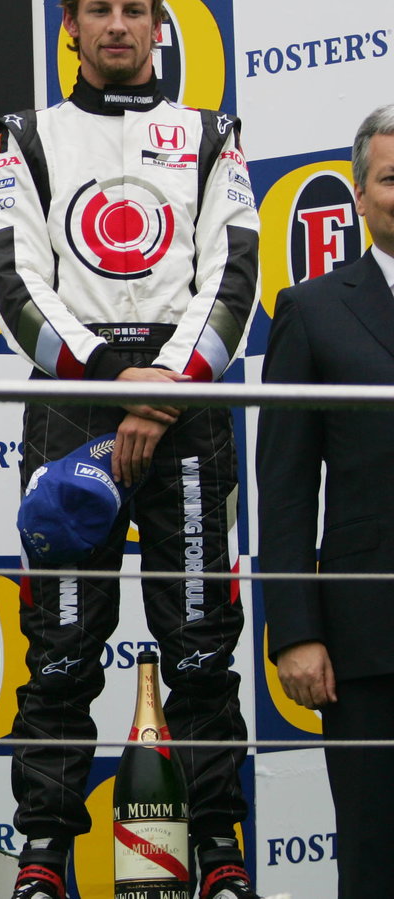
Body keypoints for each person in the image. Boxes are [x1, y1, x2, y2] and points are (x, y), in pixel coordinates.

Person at [0, 0, 261, 899]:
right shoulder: (27, 133)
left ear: (157, 24)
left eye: (132, 11)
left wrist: (164, 391)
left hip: (187, 416)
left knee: (200, 648)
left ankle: (219, 853)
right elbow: (12, 279)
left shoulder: (213, 131)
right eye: (97, 11)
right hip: (73, 409)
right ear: (70, 26)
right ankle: (46, 858)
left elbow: (235, 274)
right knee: (60, 648)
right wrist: (119, 380)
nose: (115, 27)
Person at [257, 105, 394, 898]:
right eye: (389, 177)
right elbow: (283, 486)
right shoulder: (310, 308)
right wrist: (295, 632)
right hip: (369, 638)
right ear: (358, 196)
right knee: (376, 856)